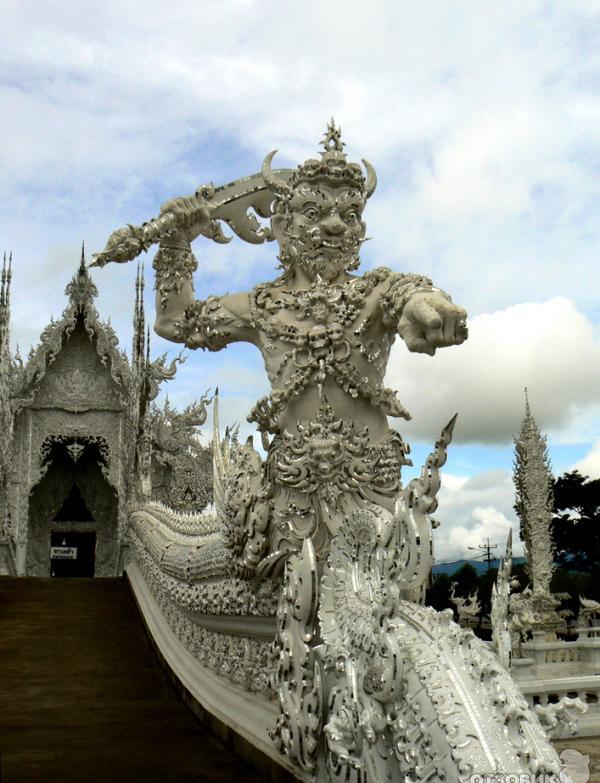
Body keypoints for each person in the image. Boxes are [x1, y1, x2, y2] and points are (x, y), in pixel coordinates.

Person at [152, 122, 467, 570]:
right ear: (282, 225)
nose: (336, 225)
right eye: (314, 213)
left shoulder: (375, 293)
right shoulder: (262, 306)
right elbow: (175, 321)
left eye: (350, 213)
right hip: (291, 497)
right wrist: (175, 240)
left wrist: (426, 304)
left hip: (372, 491)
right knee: (295, 617)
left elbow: (410, 294)